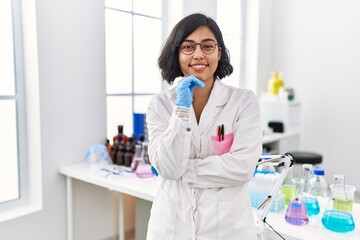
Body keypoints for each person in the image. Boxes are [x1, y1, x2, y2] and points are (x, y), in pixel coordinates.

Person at [146, 13, 262, 240]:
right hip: (171, 226)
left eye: (207, 46)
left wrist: (184, 171)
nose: (198, 54)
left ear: (219, 52)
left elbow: (243, 166)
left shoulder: (243, 102)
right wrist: (181, 110)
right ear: (177, 54)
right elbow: (169, 169)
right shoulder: (160, 105)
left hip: (227, 228)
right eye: (188, 47)